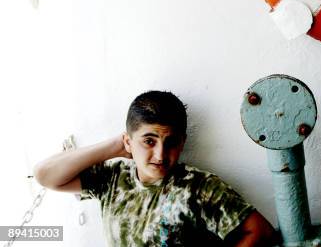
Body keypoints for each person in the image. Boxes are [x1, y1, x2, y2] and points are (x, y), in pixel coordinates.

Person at [34, 90, 277, 246]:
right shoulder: (112, 179)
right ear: (129, 142)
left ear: (181, 143)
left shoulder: (199, 186)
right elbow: (46, 176)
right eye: (149, 141)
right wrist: (113, 147)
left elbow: (260, 232)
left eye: (170, 142)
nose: (160, 154)